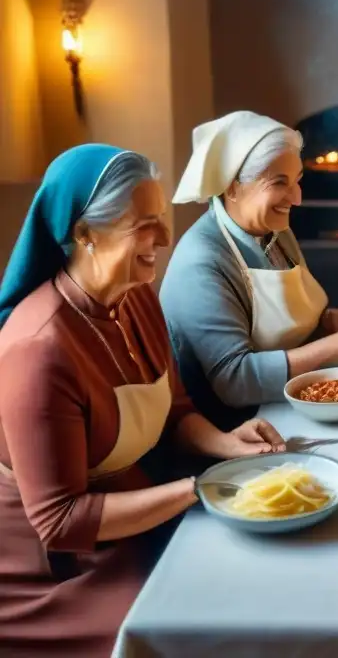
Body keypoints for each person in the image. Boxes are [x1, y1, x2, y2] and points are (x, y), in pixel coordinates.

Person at [0, 145, 285, 657]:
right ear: (85, 233)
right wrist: (197, 490)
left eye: (163, 219)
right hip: (53, 564)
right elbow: (61, 522)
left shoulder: (135, 296)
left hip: (135, 499)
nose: (168, 238)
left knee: (257, 579)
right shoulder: (37, 350)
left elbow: (172, 408)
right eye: (144, 224)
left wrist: (225, 444)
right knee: (187, 624)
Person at [161, 111, 338, 431]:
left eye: (297, 181)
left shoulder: (274, 233)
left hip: (286, 403)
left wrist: (334, 322)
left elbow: (282, 333)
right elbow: (235, 382)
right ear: (232, 187)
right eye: (279, 183)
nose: (297, 198)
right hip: (237, 428)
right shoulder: (202, 263)